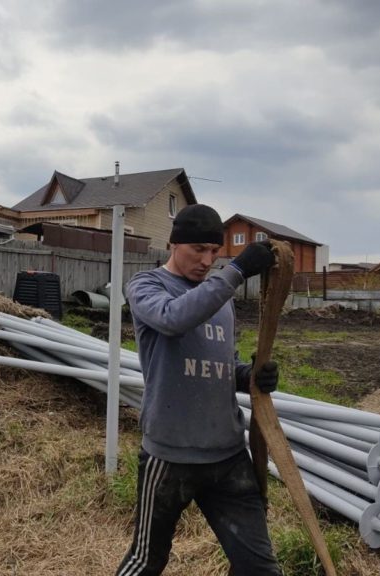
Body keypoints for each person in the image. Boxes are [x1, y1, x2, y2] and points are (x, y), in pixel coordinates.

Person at [115, 204, 282, 576]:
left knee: (259, 567)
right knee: (147, 561)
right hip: (170, 457)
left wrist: (251, 376)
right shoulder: (146, 286)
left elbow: (223, 365)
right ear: (174, 244)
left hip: (228, 457)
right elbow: (173, 319)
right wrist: (236, 271)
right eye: (198, 249)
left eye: (215, 251)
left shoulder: (220, 300)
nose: (207, 261)